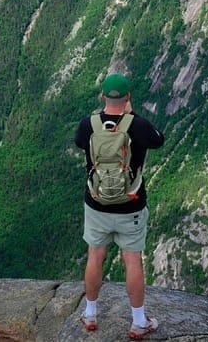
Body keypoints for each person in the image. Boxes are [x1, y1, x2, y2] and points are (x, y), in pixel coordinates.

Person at [75, 72, 165, 339]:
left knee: (95, 255)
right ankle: (138, 321)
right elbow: (158, 139)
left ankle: (90, 314)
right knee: (132, 260)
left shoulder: (87, 125)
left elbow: (81, 144)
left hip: (97, 204)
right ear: (128, 97)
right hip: (131, 206)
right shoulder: (138, 126)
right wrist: (131, 115)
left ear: (103, 96)